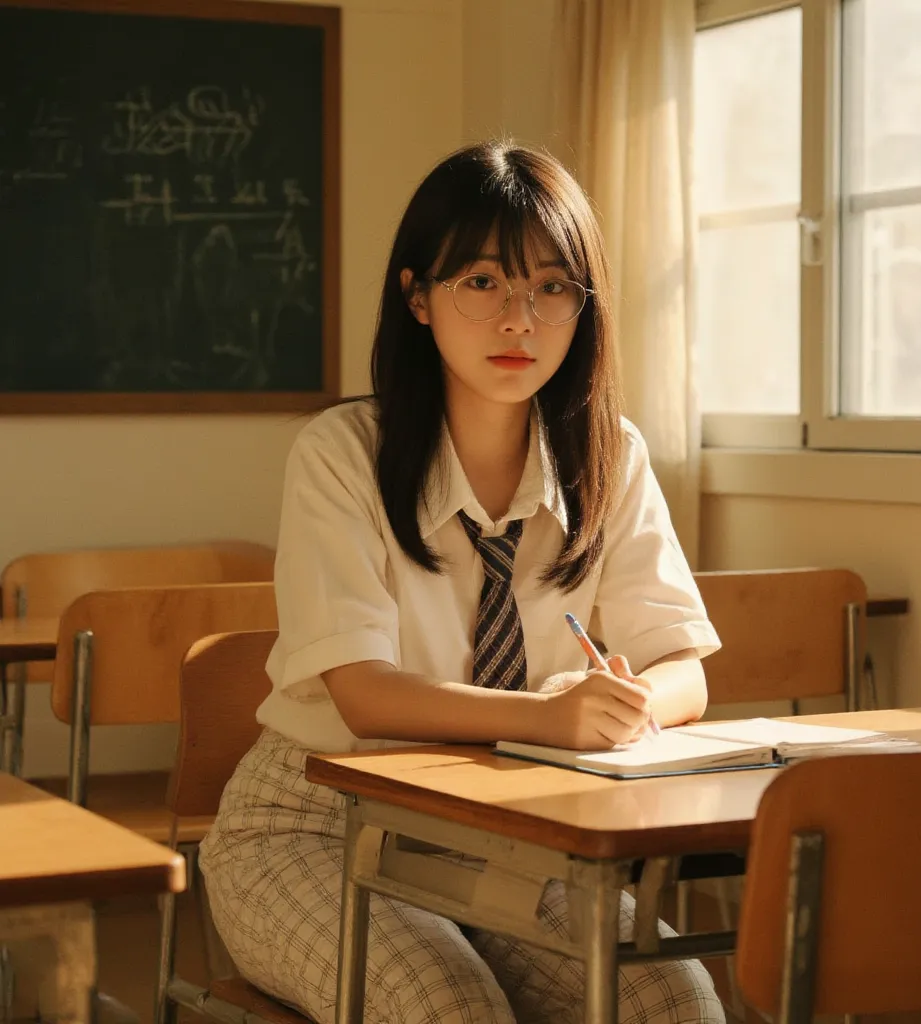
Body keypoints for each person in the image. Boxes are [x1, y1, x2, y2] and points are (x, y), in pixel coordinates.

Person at [199, 140, 724, 1024]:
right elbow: (365, 698)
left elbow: (685, 670)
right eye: (482, 283)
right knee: (446, 1004)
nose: (519, 319)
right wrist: (545, 719)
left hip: (506, 829)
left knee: (674, 999)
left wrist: (622, 704)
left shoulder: (611, 455)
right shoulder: (342, 454)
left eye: (553, 287)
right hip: (313, 823)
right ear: (417, 297)